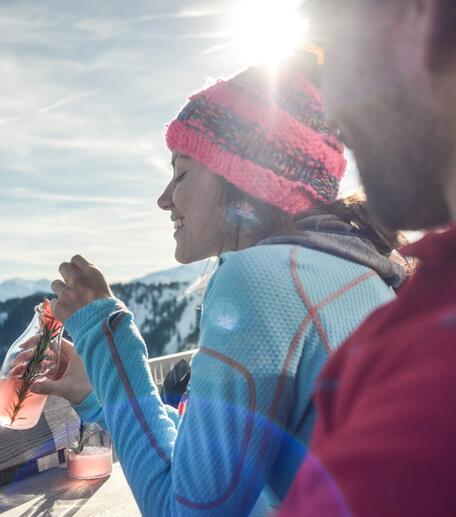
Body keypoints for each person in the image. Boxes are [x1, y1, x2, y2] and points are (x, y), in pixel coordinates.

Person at [33, 60, 404, 515]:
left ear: (244, 177)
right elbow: (214, 463)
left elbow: (185, 510)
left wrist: (102, 332)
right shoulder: (349, 269)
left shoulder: (264, 277)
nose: (165, 197)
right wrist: (101, 393)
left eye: (183, 172)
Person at [279, 1, 456, 516]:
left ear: (418, 17)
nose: (332, 115)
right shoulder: (425, 301)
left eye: (327, 50)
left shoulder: (427, 393)